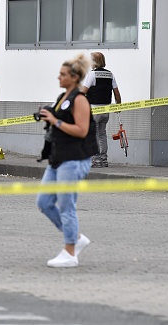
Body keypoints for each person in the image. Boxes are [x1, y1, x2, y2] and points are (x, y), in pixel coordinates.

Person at [37, 54, 98, 268]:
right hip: (58, 157)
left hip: (74, 159)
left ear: (74, 77)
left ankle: (70, 252)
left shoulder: (80, 99)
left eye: (62, 75)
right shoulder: (63, 96)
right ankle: (76, 237)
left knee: (66, 206)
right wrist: (47, 115)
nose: (58, 78)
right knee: (44, 203)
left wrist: (56, 120)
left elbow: (82, 131)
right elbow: (58, 119)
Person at [79, 52, 122, 168]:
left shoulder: (92, 75)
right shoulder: (110, 75)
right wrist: (119, 106)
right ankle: (103, 159)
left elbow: (83, 91)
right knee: (102, 134)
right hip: (106, 110)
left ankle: (96, 159)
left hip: (95, 110)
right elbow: (116, 93)